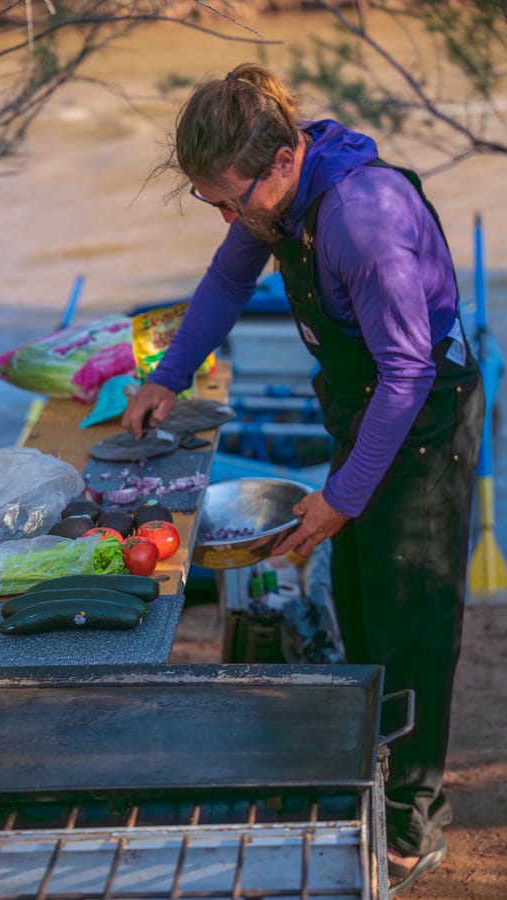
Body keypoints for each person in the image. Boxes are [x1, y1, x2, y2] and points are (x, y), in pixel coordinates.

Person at [121, 62, 484, 895]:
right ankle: (375, 768)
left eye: (232, 199)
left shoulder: (363, 219)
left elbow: (407, 374)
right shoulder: (277, 193)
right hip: (363, 405)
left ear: (283, 162)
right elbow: (224, 280)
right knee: (357, 594)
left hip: (421, 417)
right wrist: (167, 375)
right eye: (214, 202)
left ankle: (414, 816)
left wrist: (340, 498)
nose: (229, 216)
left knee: (411, 608)